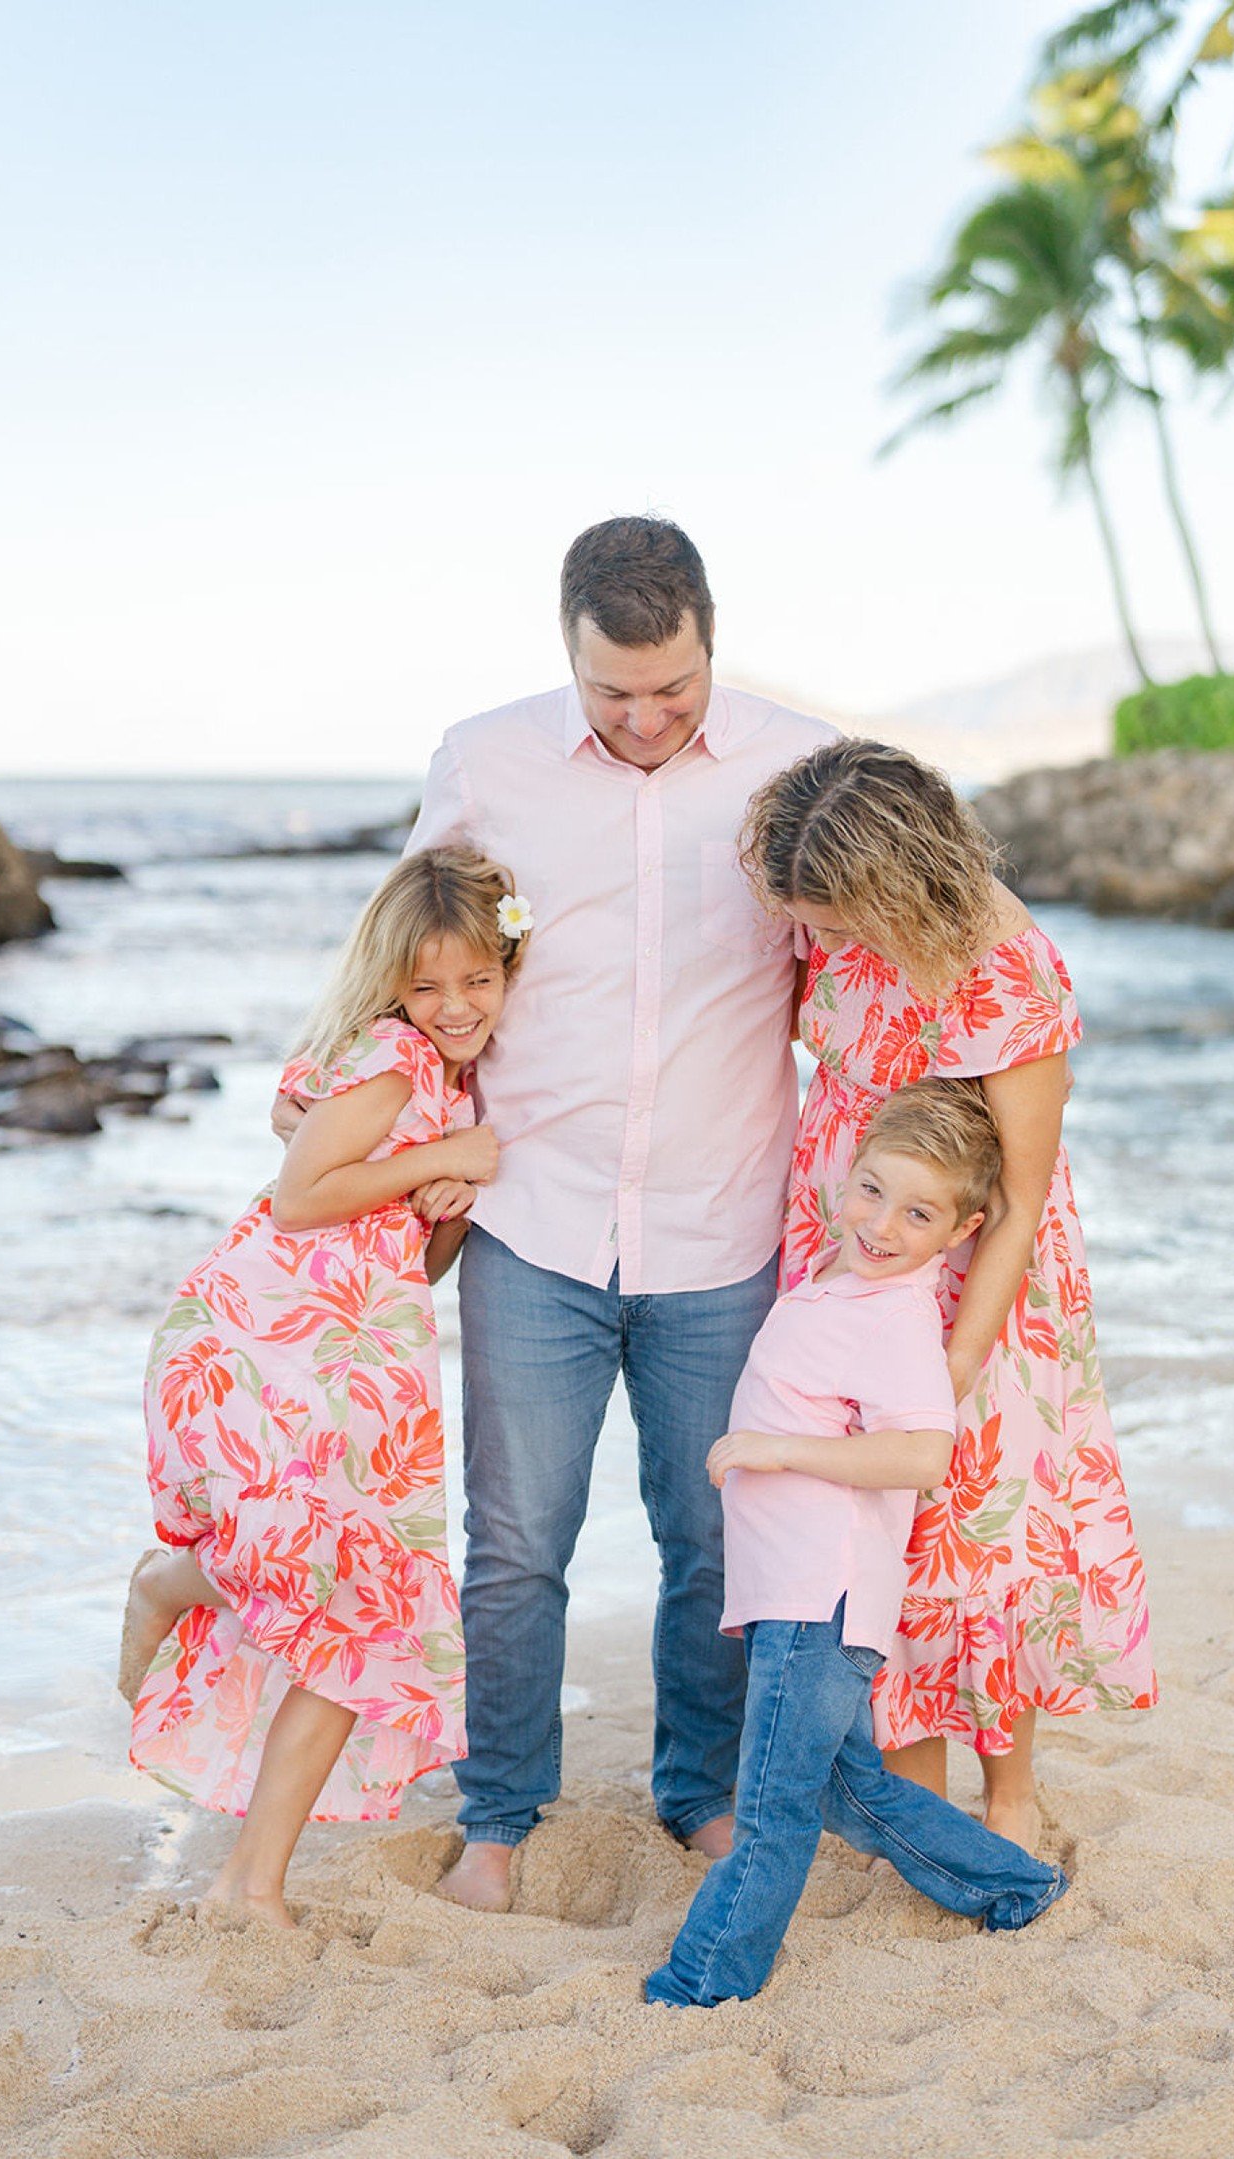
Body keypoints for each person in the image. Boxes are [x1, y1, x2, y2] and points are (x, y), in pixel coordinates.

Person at [395, 515, 838, 1910]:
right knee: (518, 1542)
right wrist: (369, 1121)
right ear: (568, 651)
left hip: (725, 1224)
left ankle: (698, 1788)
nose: (645, 719)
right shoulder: (484, 757)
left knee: (711, 1537)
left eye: (674, 690)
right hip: (536, 1217)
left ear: (713, 639)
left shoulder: (799, 763)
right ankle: (500, 1813)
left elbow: (881, 960)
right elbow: (407, 959)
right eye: (613, 692)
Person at [740, 737, 1155, 1853]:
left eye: (832, 916)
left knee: (971, 1535)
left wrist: (953, 1364)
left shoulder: (1005, 970)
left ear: (894, 882)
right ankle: (915, 1788)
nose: (817, 937)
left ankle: (1009, 1786)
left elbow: (1020, 1199)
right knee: (872, 1528)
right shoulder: (839, 918)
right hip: (848, 1256)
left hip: (974, 1282)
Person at [121, 845, 524, 1927]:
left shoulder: (442, 1080)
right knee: (354, 1599)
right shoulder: (396, 1056)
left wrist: (449, 1194)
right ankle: (177, 1579)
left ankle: (248, 1885)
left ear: (508, 964)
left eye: (477, 979)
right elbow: (302, 1197)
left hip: (360, 1356)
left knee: (363, 1616)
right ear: (396, 983)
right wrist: (454, 1157)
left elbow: (409, 1255)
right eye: (429, 983)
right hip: (281, 1352)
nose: (453, 1004)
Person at [646, 1084, 1067, 2008]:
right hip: (796, 1592)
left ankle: (706, 1978)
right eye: (872, 1190)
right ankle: (1016, 1883)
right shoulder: (841, 1288)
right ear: (849, 1171)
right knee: (850, 1789)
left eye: (918, 1212)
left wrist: (779, 1448)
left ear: (961, 1230)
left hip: (818, 1594)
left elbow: (923, 1452)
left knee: (769, 1801)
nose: (881, 1223)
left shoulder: (893, 1319)